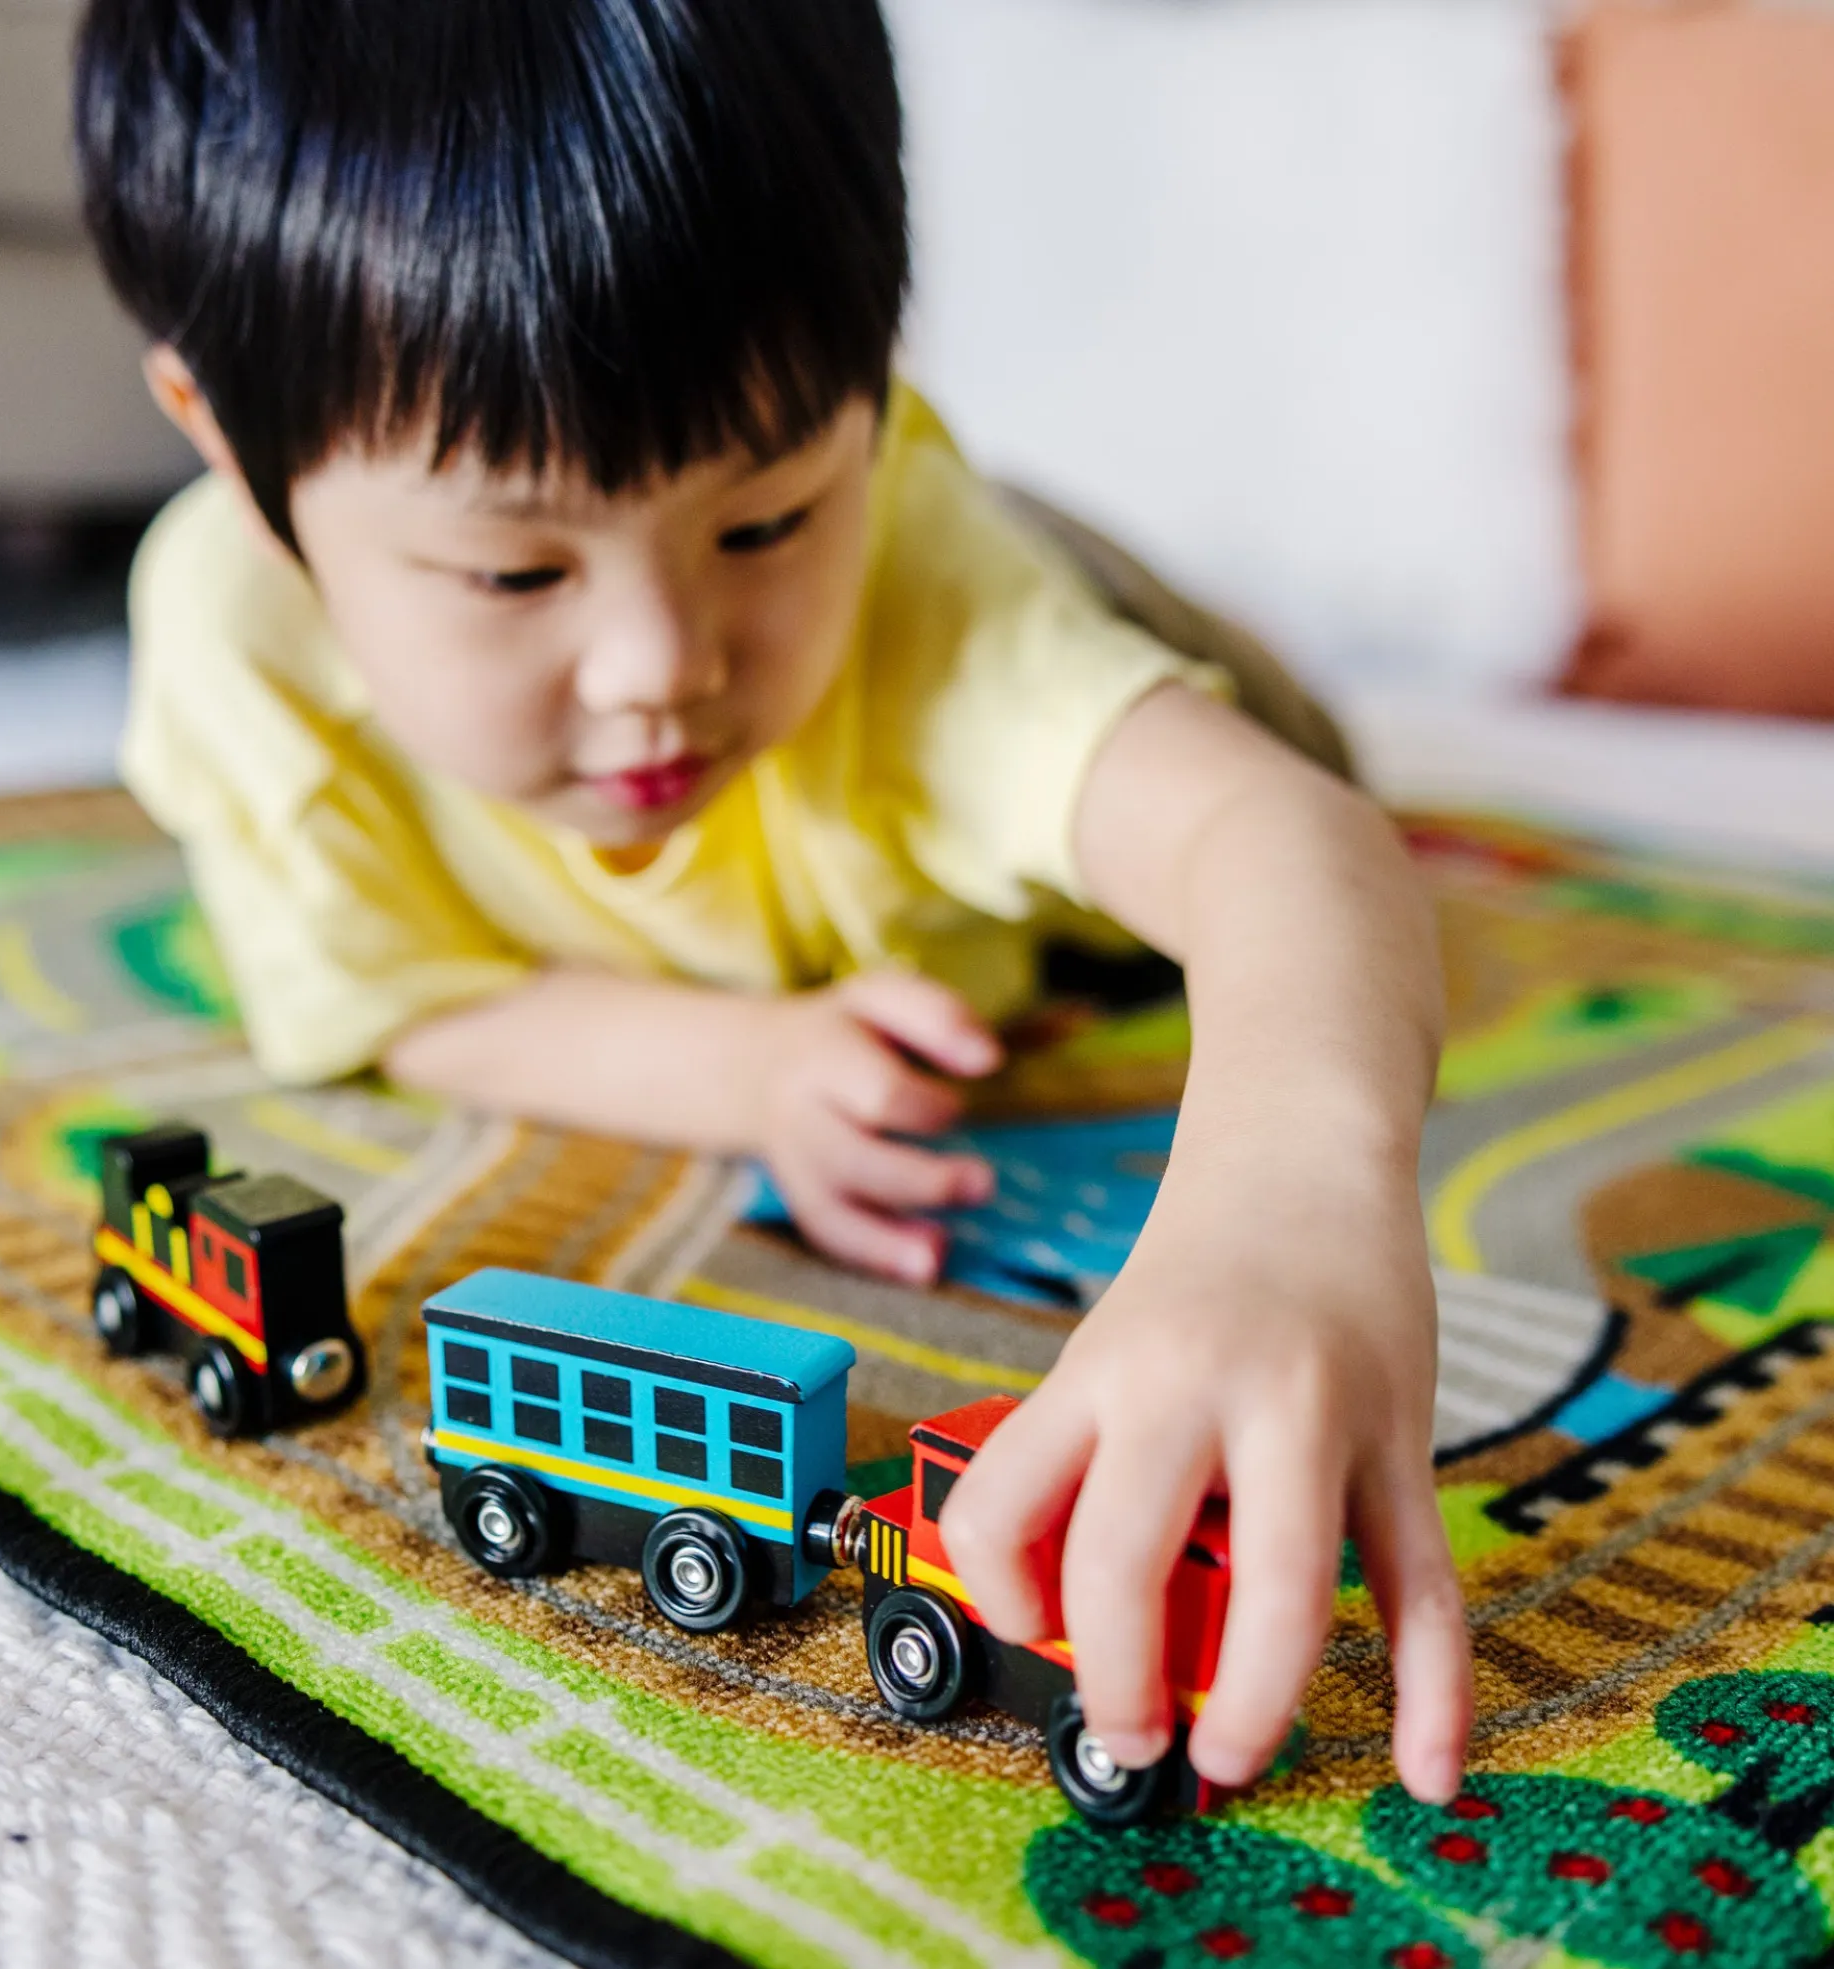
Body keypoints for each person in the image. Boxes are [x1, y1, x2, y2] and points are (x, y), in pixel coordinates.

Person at [75, 0, 1471, 1804]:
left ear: (869, 391)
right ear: (237, 455)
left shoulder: (915, 588)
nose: (660, 666)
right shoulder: (228, 641)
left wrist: (1289, 1194)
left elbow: (1284, 840)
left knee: (1279, 737)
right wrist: (740, 1073)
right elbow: (387, 996)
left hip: (1019, 609)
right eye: (517, 565)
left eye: (760, 521)